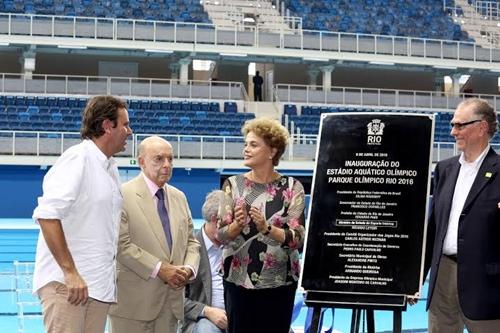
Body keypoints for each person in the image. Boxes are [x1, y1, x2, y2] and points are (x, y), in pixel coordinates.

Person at [32, 95, 132, 333]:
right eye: (125, 124)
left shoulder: (110, 168)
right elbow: (47, 215)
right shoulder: (78, 158)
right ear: (108, 126)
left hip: (97, 288)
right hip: (69, 286)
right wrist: (70, 272)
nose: (129, 131)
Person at [218, 117, 305, 333]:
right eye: (246, 144)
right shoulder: (232, 185)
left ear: (272, 151)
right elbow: (221, 235)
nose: (246, 149)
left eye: (253, 144)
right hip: (238, 282)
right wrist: (237, 226)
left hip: (280, 283)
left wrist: (267, 229)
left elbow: (298, 238)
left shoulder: (292, 187)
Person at [109, 135, 200, 333]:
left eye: (170, 159)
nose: (167, 165)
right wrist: (160, 269)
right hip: (132, 307)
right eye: (159, 159)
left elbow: (192, 242)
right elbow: (120, 245)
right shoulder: (121, 195)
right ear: (141, 162)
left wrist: (188, 269)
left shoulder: (179, 197)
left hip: (171, 306)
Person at [424, 98, 500, 332]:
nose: (453, 131)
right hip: (443, 277)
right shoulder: (444, 169)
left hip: (486, 283)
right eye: (453, 125)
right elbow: (434, 226)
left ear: (482, 128)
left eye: (460, 125)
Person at [183, 190, 227, 333]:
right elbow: (176, 300)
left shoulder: (236, 246)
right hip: (204, 319)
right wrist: (206, 311)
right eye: (229, 221)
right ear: (215, 220)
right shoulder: (188, 250)